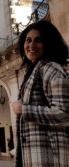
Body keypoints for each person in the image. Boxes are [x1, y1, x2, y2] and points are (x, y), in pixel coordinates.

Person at [12, 20, 69, 167]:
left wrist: (24, 109)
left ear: (48, 43)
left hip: (50, 158)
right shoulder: (34, 70)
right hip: (37, 156)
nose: (31, 46)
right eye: (28, 40)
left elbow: (64, 113)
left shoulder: (51, 69)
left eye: (38, 40)